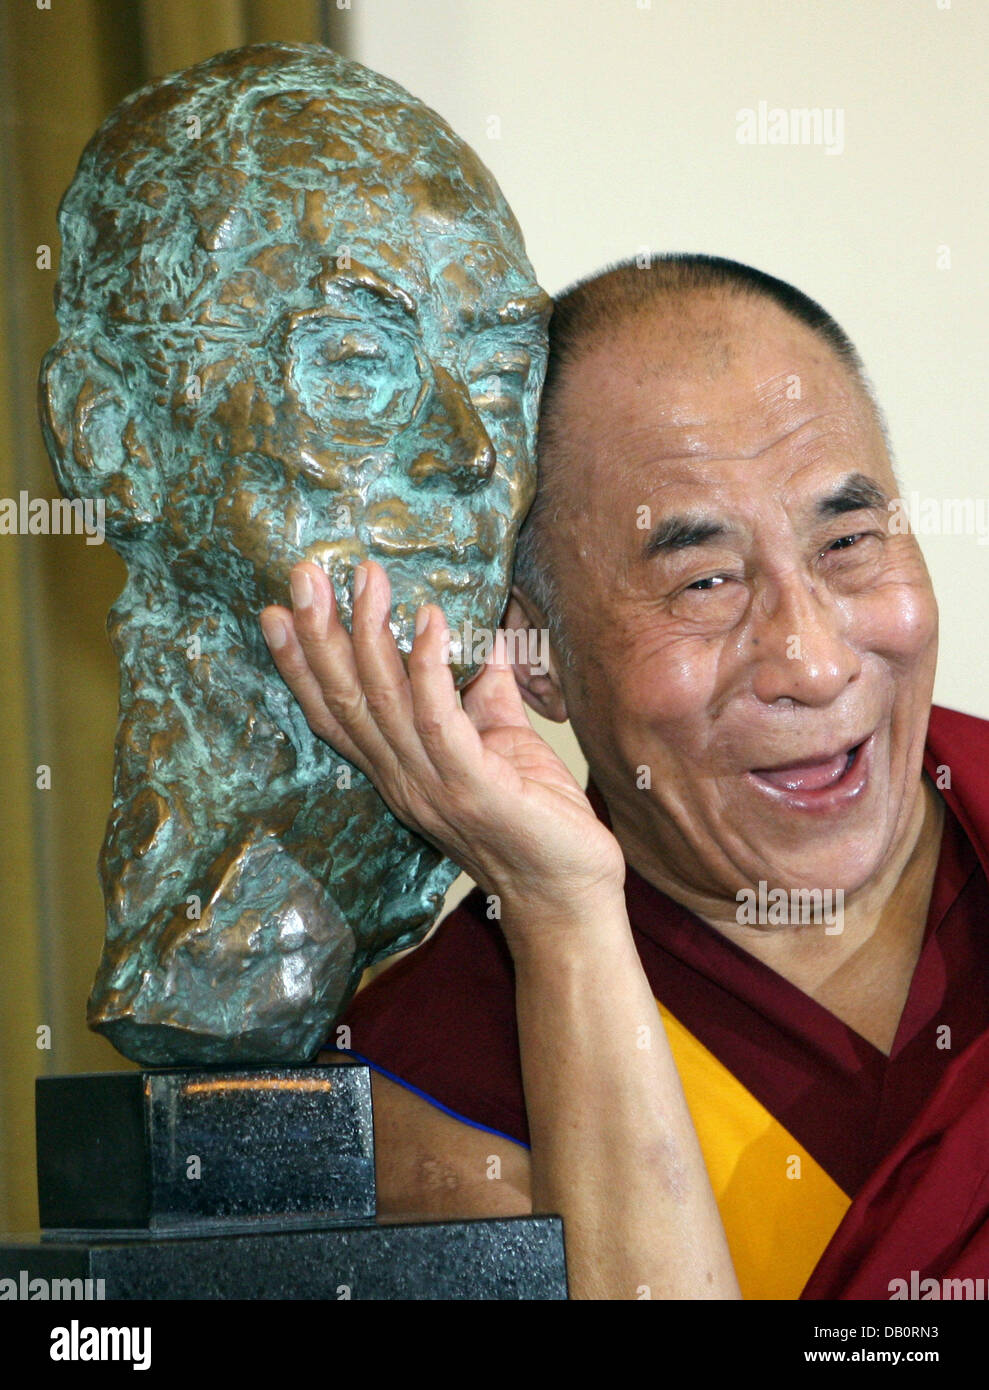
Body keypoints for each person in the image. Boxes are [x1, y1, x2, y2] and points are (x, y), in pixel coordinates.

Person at [260, 253, 989, 1299]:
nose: (815, 660)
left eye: (845, 541)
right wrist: (561, 921)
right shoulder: (432, 1080)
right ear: (532, 655)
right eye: (703, 581)